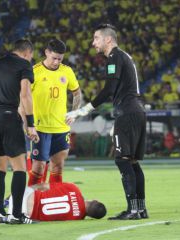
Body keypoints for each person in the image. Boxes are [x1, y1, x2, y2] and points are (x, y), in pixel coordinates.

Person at [67, 24, 148, 220]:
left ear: (108, 39)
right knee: (132, 162)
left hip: (127, 112)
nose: (93, 42)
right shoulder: (124, 56)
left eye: (96, 38)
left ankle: (133, 210)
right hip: (136, 110)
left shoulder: (115, 57)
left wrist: (83, 110)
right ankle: (140, 209)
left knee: (122, 160)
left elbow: (109, 89)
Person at [0, 39, 40, 224]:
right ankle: (16, 215)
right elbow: (25, 94)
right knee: (19, 167)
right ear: (27, 53)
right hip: (7, 116)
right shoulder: (24, 65)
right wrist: (30, 123)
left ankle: (0, 213)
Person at [28, 39, 82, 186]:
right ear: (46, 52)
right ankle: (28, 202)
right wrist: (27, 123)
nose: (57, 62)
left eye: (60, 59)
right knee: (38, 168)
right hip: (40, 128)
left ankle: (54, 200)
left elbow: (77, 93)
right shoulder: (34, 72)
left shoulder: (67, 71)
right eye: (54, 58)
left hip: (61, 128)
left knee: (58, 166)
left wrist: (74, 112)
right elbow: (23, 98)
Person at [0, 182, 106, 221]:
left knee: (27, 187)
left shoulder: (73, 188)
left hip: (23, 198)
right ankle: (2, 217)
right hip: (26, 215)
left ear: (95, 200)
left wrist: (30, 188)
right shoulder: (77, 217)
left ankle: (6, 202)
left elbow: (44, 186)